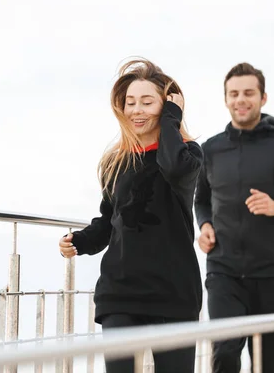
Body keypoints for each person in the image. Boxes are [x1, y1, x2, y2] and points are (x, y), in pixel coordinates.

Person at [58, 58, 203, 373]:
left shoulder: (189, 153)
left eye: (147, 102)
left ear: (166, 106)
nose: (137, 110)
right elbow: (109, 221)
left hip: (173, 291)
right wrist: (79, 241)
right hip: (121, 292)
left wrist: (171, 120)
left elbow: (172, 166)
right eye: (130, 102)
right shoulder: (116, 161)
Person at [194, 62, 274, 373]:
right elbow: (201, 201)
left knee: (270, 364)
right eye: (234, 94)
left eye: (249, 93)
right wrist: (205, 225)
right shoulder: (210, 149)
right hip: (224, 271)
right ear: (225, 99)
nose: (241, 100)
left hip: (272, 274)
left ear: (263, 98)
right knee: (223, 354)